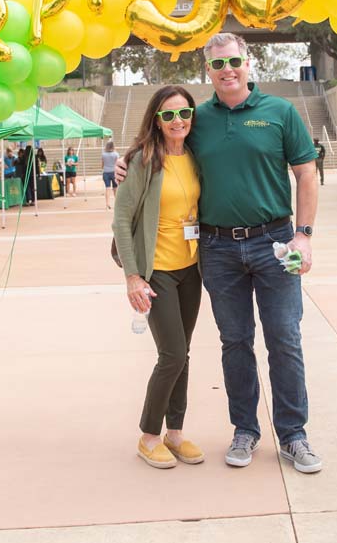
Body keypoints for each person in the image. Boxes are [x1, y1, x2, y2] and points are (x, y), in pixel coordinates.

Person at [117, 32, 322, 474]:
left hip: (275, 242)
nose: (226, 71)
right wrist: (126, 162)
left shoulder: (280, 112)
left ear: (248, 62)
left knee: (285, 339)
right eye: (217, 65)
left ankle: (294, 435)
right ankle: (244, 429)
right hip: (217, 247)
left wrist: (303, 235)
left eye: (233, 62)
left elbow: (306, 175)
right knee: (235, 342)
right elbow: (163, 148)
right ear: (206, 70)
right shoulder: (198, 118)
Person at [113, 86, 204, 469]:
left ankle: (176, 433)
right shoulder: (143, 160)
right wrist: (133, 277)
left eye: (184, 114)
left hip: (191, 268)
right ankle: (149, 436)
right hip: (157, 273)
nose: (177, 121)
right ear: (156, 119)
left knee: (182, 353)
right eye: (168, 115)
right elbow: (121, 218)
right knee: (170, 354)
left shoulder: (198, 156)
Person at [102, 140, 119, 210]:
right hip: (114, 172)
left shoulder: (103, 154)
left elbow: (102, 164)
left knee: (107, 188)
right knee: (115, 189)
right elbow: (117, 163)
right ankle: (117, 204)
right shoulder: (116, 154)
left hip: (106, 172)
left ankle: (107, 204)